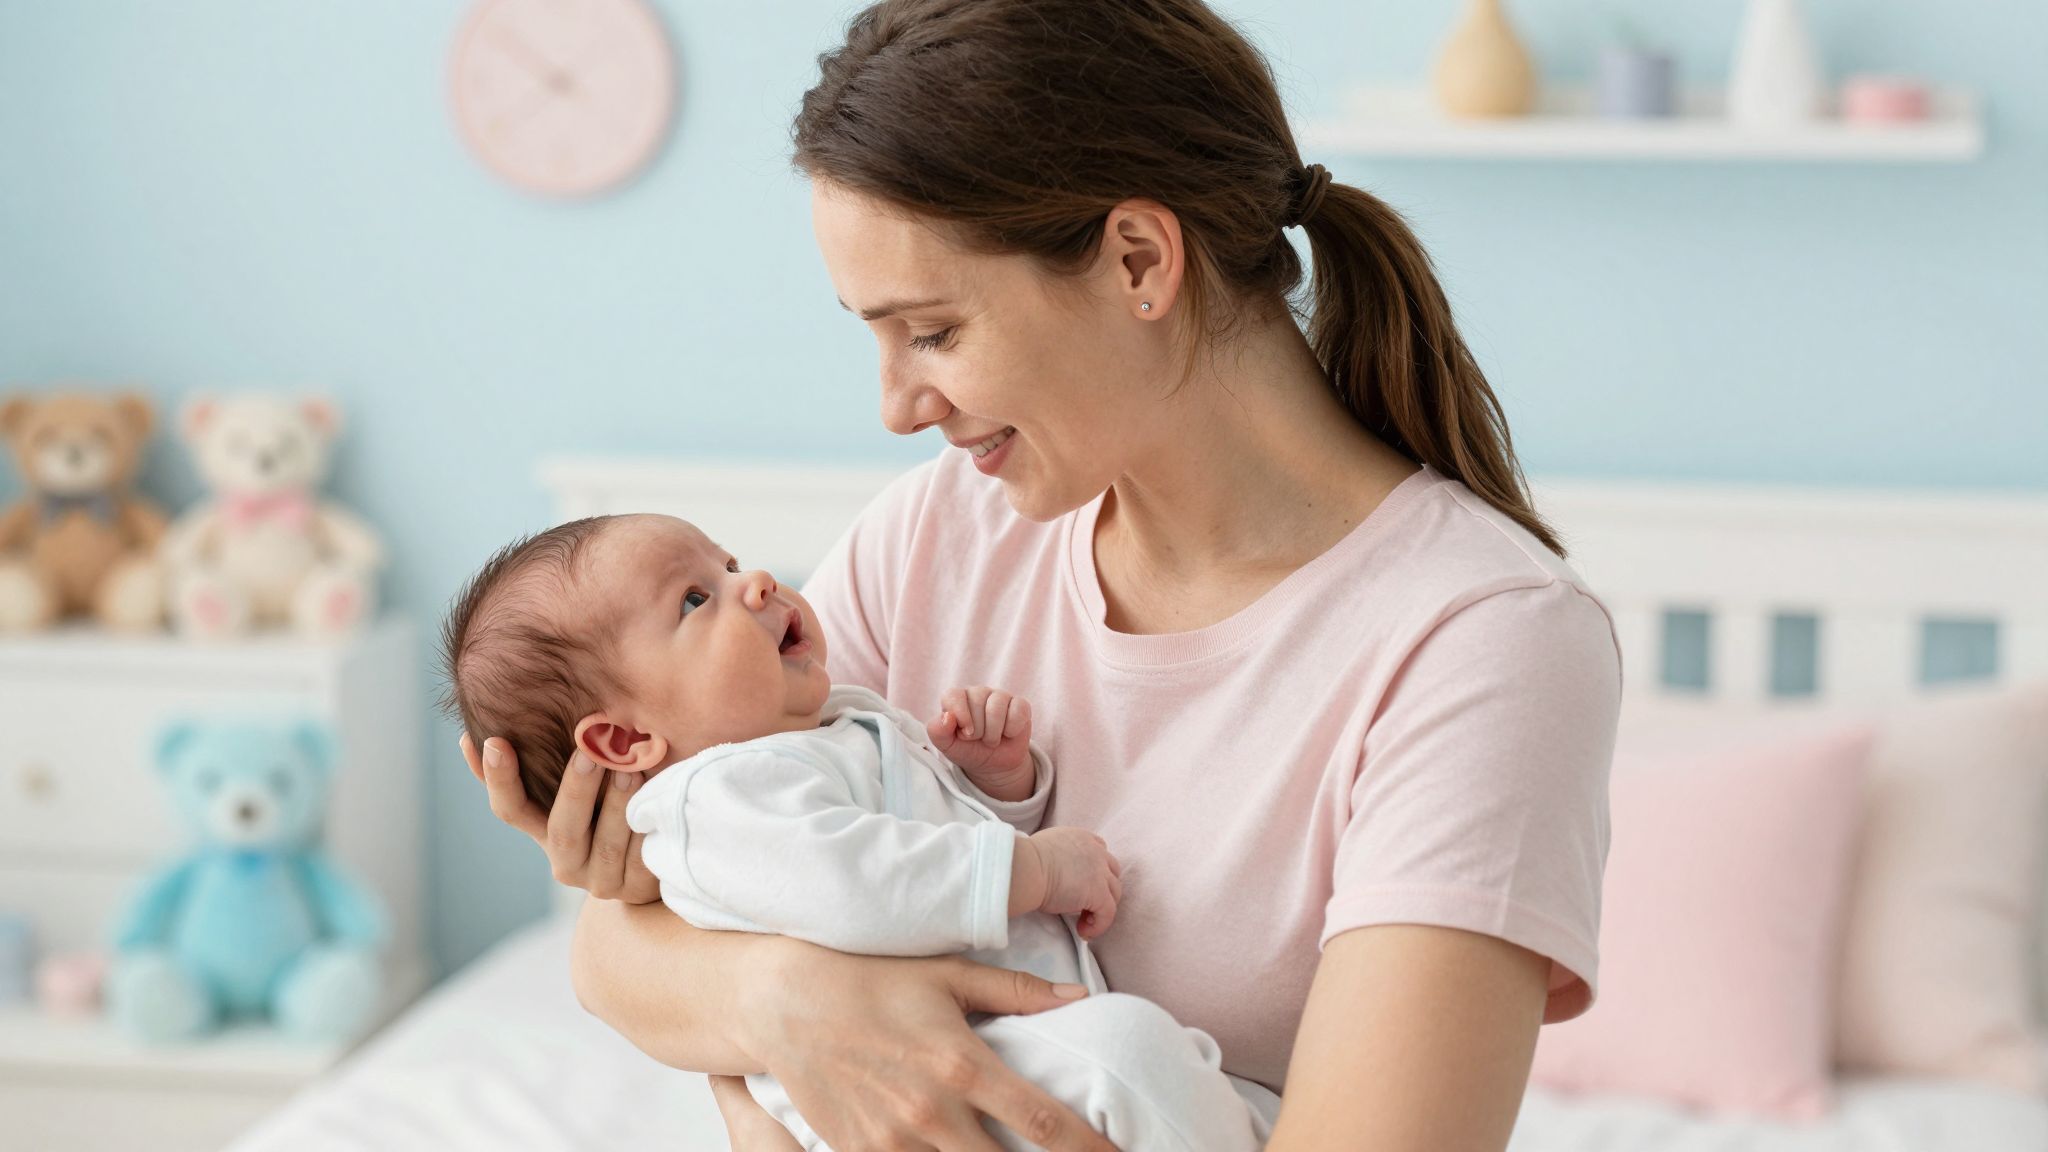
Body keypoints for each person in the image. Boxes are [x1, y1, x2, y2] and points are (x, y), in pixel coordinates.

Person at [465, 1, 1623, 1147]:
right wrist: (791, 1012)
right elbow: (620, 948)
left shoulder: (1480, 640)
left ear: (1135, 260)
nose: (895, 406)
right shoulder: (940, 534)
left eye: (931, 331)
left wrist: (750, 1042)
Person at [440, 512, 1279, 1149]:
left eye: (728, 564)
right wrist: (1035, 868)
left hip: (1000, 1039)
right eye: (696, 600)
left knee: (1209, 1086)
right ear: (625, 743)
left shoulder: (819, 730)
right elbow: (859, 885)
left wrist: (996, 785)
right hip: (936, 1072)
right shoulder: (715, 800)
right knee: (1130, 1057)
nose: (757, 581)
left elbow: (920, 833)